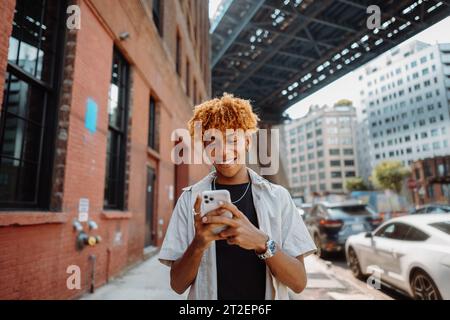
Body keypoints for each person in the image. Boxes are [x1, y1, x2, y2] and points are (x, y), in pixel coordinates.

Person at [159, 93, 316, 300]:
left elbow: (298, 282)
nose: (223, 151)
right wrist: (199, 243)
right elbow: (178, 285)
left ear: (248, 142)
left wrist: (262, 242)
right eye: (212, 142)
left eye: (233, 139)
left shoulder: (278, 198)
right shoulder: (189, 200)